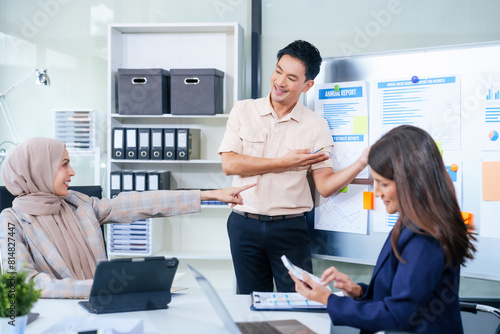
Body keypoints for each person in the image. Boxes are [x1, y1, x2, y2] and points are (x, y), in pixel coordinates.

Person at [0, 137, 254, 299]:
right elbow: (23, 282)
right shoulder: (11, 222)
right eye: (64, 164)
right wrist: (95, 288)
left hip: (105, 308)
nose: (72, 172)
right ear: (39, 170)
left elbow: (137, 204)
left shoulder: (77, 203)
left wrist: (208, 194)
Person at [289, 125, 477, 334]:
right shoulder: (411, 222)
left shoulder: (426, 237)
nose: (377, 192)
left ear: (412, 181)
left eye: (383, 183)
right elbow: (401, 296)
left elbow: (399, 316)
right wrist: (358, 291)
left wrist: (328, 300)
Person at [218, 40, 369, 294]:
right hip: (244, 225)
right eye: (278, 70)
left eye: (291, 77)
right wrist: (283, 163)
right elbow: (229, 164)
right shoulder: (243, 110)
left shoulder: (316, 126)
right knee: (251, 303)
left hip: (289, 229)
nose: (279, 82)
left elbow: (325, 186)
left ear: (307, 85)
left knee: (300, 302)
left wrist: (362, 161)